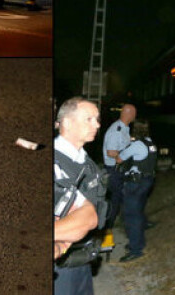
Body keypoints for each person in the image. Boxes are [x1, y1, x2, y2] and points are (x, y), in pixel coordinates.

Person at [53, 97, 107, 295]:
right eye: (89, 119)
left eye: (97, 119)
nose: (97, 124)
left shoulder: (86, 162)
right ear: (67, 122)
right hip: (59, 268)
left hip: (83, 260)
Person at [116, 135, 157, 263]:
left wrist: (120, 152)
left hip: (135, 183)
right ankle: (138, 241)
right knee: (138, 211)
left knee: (131, 216)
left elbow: (119, 159)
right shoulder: (150, 142)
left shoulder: (137, 145)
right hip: (147, 181)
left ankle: (135, 249)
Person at [102, 104, 136, 235]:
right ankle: (108, 228)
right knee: (114, 200)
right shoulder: (116, 130)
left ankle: (118, 223)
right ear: (129, 114)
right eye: (134, 113)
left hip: (118, 170)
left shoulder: (124, 128)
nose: (135, 116)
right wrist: (122, 157)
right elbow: (111, 152)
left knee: (121, 198)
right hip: (113, 170)